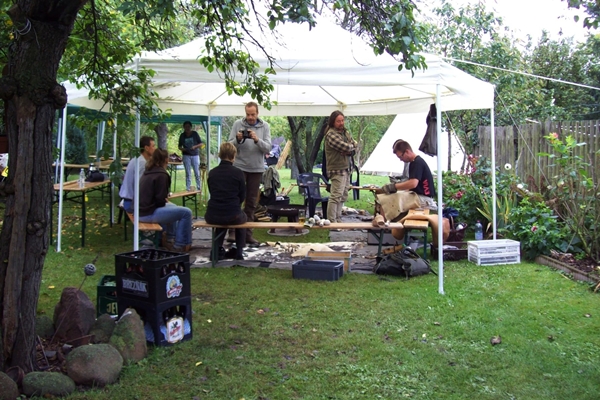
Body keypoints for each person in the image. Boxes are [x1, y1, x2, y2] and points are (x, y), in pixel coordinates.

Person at [228, 101, 271, 245]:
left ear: (257, 113)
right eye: (248, 114)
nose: (250, 117)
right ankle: (233, 231)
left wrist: (257, 140)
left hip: (256, 168)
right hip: (239, 167)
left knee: (251, 202)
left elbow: (268, 148)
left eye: (253, 114)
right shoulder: (237, 124)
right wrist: (238, 139)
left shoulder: (265, 126)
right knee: (236, 199)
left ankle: (247, 234)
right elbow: (229, 145)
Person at [139, 149, 193, 252]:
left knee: (174, 207)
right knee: (186, 212)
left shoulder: (149, 171)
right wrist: (164, 199)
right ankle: (181, 244)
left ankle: (169, 238)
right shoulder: (162, 175)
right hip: (147, 213)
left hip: (141, 210)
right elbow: (160, 201)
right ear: (166, 160)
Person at [205, 142, 247, 260]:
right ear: (233, 155)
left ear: (220, 155)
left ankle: (216, 249)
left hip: (212, 214)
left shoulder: (212, 173)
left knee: (221, 216)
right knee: (242, 218)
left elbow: (212, 192)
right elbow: (242, 195)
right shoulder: (238, 173)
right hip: (233, 214)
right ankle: (239, 251)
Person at [376, 140, 437, 210]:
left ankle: (383, 217)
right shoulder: (413, 162)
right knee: (393, 196)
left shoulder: (417, 163)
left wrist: (394, 186)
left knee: (387, 200)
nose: (401, 160)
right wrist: (398, 190)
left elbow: (413, 183)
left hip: (424, 199)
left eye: (401, 157)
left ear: (407, 151)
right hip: (419, 196)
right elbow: (411, 186)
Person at [324, 110, 357, 223]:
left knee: (343, 195)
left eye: (342, 120)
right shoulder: (331, 134)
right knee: (336, 196)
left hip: (346, 168)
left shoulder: (345, 133)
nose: (341, 123)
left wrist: (351, 149)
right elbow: (346, 147)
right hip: (337, 169)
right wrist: (350, 147)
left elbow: (355, 145)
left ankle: (338, 219)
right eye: (338, 121)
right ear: (333, 122)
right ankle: (332, 221)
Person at [119, 136, 156, 213]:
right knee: (164, 211)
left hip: (130, 201)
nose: (155, 148)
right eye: (153, 146)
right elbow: (141, 187)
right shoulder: (142, 162)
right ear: (146, 148)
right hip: (132, 203)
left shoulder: (137, 159)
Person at [178, 121, 205, 192]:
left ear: (191, 127)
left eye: (188, 127)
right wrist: (183, 149)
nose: (187, 128)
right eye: (186, 127)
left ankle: (199, 188)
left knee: (197, 172)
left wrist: (195, 147)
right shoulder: (182, 135)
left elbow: (201, 144)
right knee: (188, 173)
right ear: (184, 127)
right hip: (186, 155)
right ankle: (188, 189)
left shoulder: (195, 134)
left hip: (195, 155)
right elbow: (179, 146)